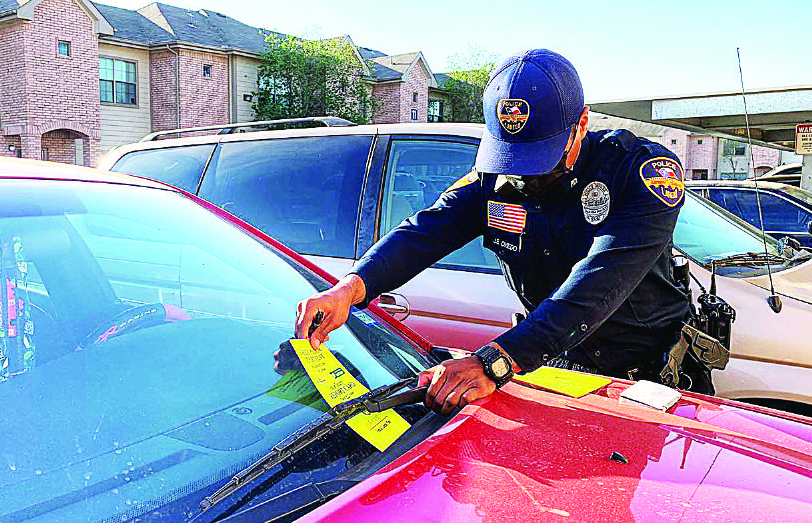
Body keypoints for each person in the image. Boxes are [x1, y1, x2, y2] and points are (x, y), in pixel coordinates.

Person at [295, 49, 695, 414]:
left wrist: (495, 360)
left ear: (582, 124)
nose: (525, 174)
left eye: (540, 156)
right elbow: (426, 231)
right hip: (557, 369)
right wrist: (350, 288)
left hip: (647, 379)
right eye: (513, 156)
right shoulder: (497, 178)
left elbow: (601, 281)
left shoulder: (639, 172)